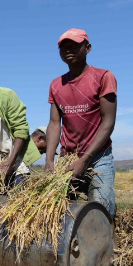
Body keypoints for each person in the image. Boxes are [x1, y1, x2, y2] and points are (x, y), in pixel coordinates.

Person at [45, 28, 117, 217]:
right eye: (63, 46)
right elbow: (54, 124)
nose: (68, 49)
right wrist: (49, 160)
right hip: (68, 158)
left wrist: (84, 159)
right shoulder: (56, 84)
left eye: (75, 45)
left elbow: (108, 122)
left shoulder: (103, 77)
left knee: (101, 211)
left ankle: (106, 245)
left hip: (98, 157)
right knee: (63, 212)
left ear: (88, 48)